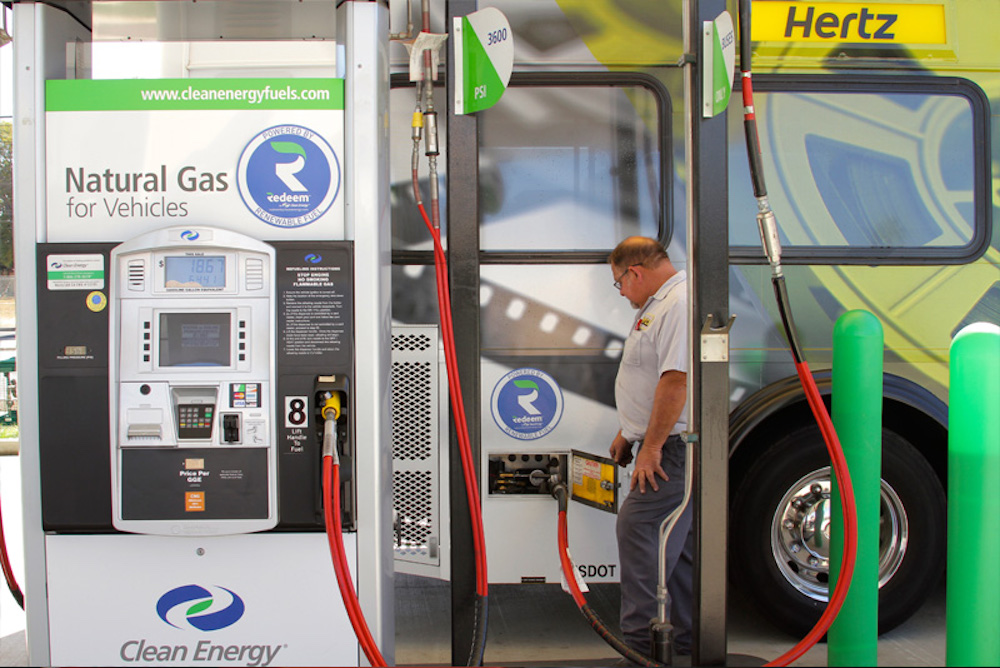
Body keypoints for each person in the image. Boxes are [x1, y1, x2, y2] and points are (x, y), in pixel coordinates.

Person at [608, 236, 692, 659]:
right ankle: (683, 641)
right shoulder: (659, 304)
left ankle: (642, 648)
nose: (621, 293)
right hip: (662, 442)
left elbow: (675, 381)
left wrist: (652, 447)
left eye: (619, 283)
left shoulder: (677, 303)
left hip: (672, 449)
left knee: (640, 530)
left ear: (634, 272)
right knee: (675, 543)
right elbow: (649, 374)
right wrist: (631, 432)